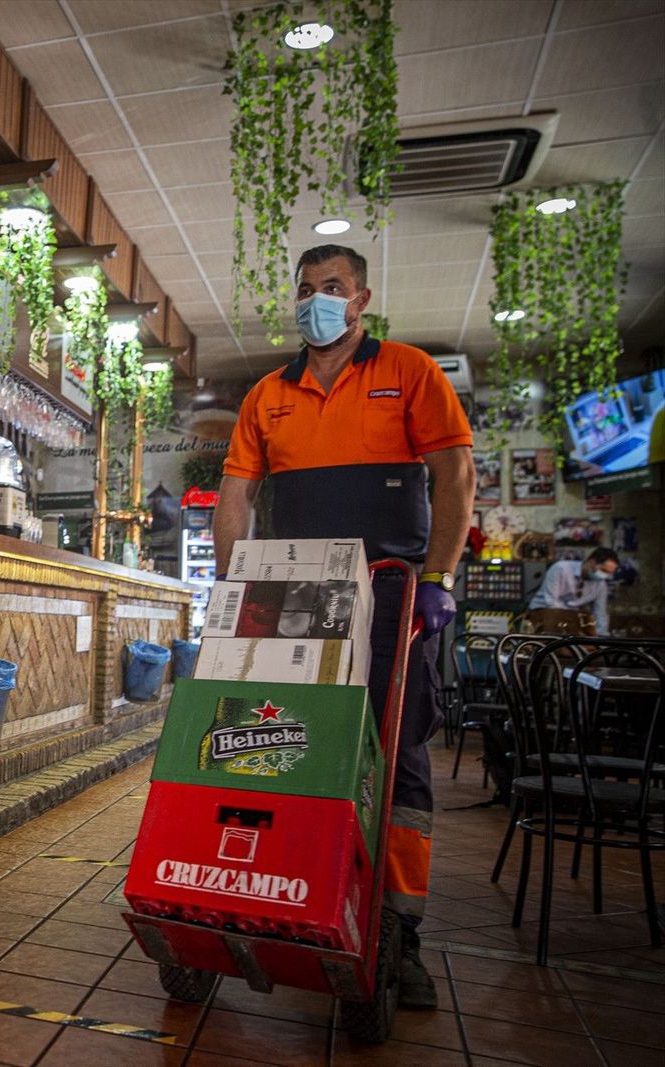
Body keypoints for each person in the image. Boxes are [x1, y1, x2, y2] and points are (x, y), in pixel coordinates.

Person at [214, 244, 475, 1011]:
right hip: (295, 595)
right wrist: (233, 587)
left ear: (361, 299)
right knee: (287, 741)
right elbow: (235, 495)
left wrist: (441, 578)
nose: (315, 301)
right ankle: (296, 894)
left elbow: (455, 473)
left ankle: (400, 931)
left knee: (399, 756)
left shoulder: (411, 373)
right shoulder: (269, 393)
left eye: (332, 288)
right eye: (305, 290)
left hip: (394, 594)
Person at [527, 547, 619, 635]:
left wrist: (602, 638)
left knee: (585, 642)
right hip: (544, 610)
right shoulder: (561, 568)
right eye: (603, 570)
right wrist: (571, 620)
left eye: (609, 573)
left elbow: (600, 613)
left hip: (571, 617)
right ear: (591, 562)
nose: (605, 575)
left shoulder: (600, 585)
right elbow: (551, 601)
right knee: (558, 640)